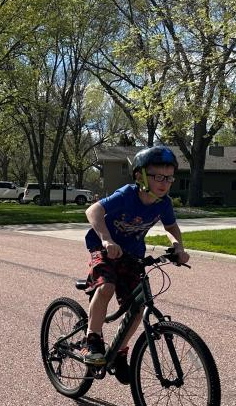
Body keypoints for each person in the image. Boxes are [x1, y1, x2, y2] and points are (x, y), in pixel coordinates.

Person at [81, 145, 190, 382]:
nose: (164, 182)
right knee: (106, 287)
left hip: (132, 254)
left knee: (137, 307)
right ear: (140, 176)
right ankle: (93, 340)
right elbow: (93, 211)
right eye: (158, 176)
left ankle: (120, 351)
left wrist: (178, 247)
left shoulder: (164, 203)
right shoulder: (127, 195)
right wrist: (107, 239)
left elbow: (170, 227)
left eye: (169, 178)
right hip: (103, 248)